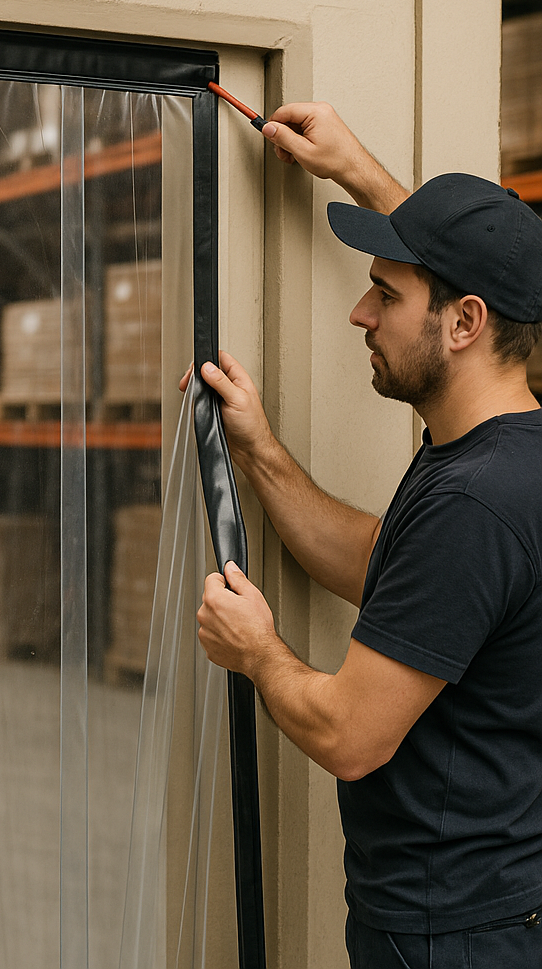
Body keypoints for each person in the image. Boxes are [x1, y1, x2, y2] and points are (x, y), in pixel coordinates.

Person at [190, 102, 542, 968]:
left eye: (385, 293)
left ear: (465, 323)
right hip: (477, 914)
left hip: (449, 932)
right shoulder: (497, 456)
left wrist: (257, 648)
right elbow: (379, 565)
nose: (359, 312)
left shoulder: (477, 503)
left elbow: (352, 735)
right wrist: (261, 451)